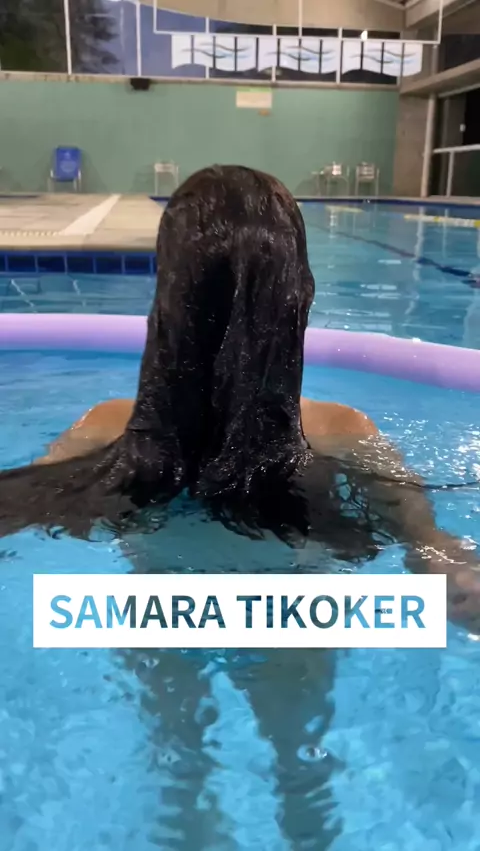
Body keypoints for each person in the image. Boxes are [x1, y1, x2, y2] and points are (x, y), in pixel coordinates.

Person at [0, 164, 479, 629]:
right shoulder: (342, 431)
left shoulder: (104, 428)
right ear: (294, 296)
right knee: (293, 683)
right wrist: (452, 570)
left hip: (161, 614)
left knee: (168, 683)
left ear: (170, 296)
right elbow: (427, 542)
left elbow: (26, 501)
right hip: (297, 615)